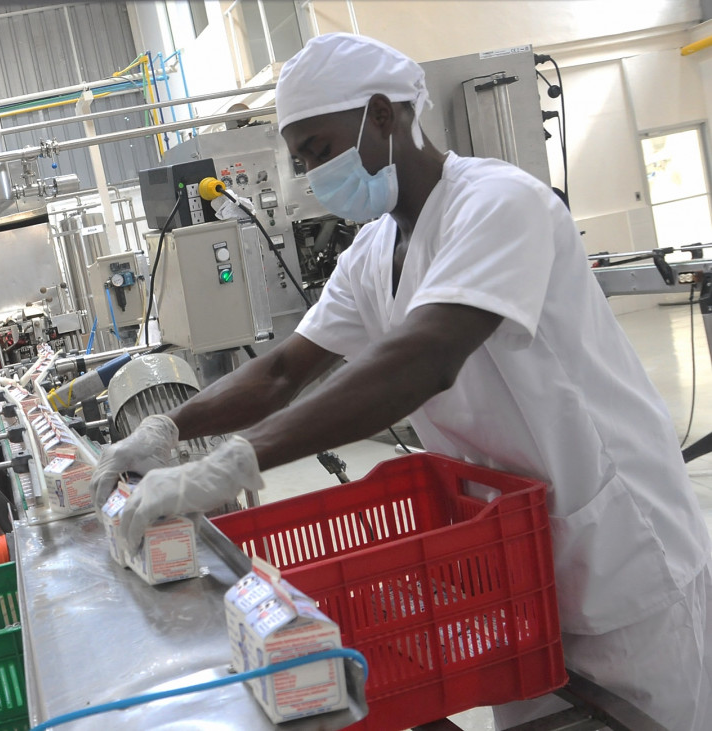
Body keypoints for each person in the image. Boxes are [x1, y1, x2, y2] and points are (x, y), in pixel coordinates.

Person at [93, 32, 710, 730]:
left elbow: (426, 357)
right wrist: (168, 429)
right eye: (303, 162)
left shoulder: (499, 203)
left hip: (622, 547)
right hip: (512, 562)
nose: (314, 175)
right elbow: (284, 370)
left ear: (383, 114)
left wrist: (234, 461)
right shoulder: (374, 249)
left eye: (320, 150)